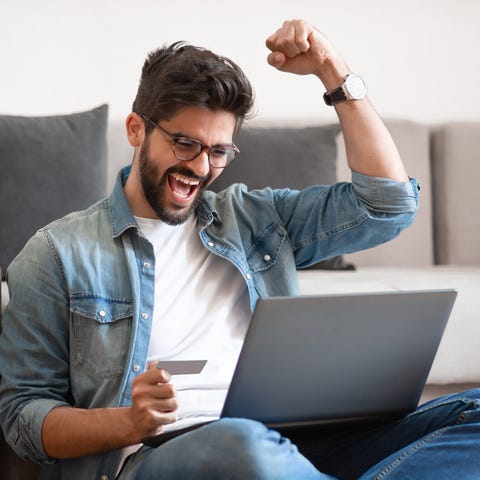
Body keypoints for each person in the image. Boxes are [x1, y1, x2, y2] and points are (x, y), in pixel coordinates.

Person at [0, 18, 478, 480]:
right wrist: (129, 421)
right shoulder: (58, 253)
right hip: (168, 453)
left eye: (219, 151)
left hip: (291, 443)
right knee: (243, 445)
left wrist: (331, 68)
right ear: (136, 130)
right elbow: (23, 418)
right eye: (185, 144)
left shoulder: (254, 220)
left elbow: (387, 206)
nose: (202, 167)